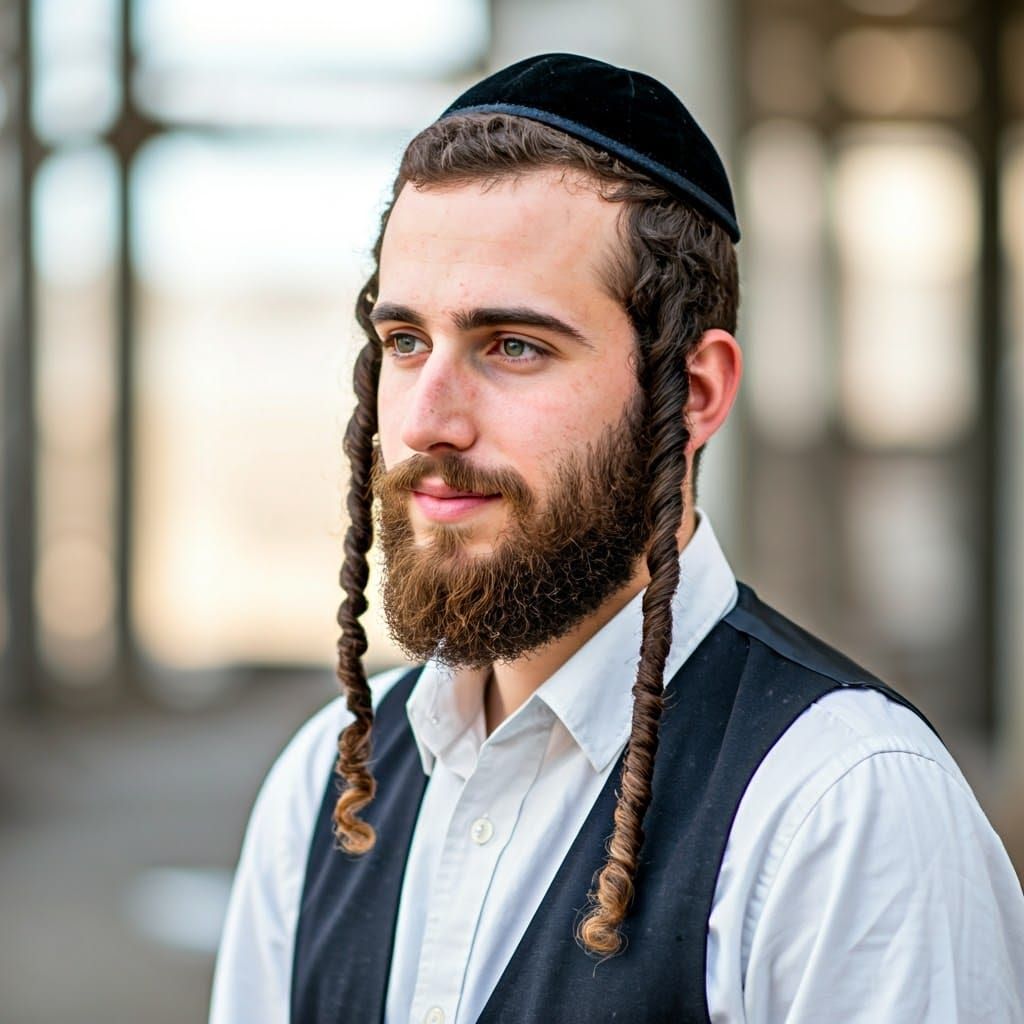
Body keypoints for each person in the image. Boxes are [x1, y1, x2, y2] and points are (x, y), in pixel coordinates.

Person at [209, 53, 1024, 1023]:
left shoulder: (843, 810)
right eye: (405, 342)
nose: (429, 418)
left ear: (695, 391)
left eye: (513, 345)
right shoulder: (321, 789)